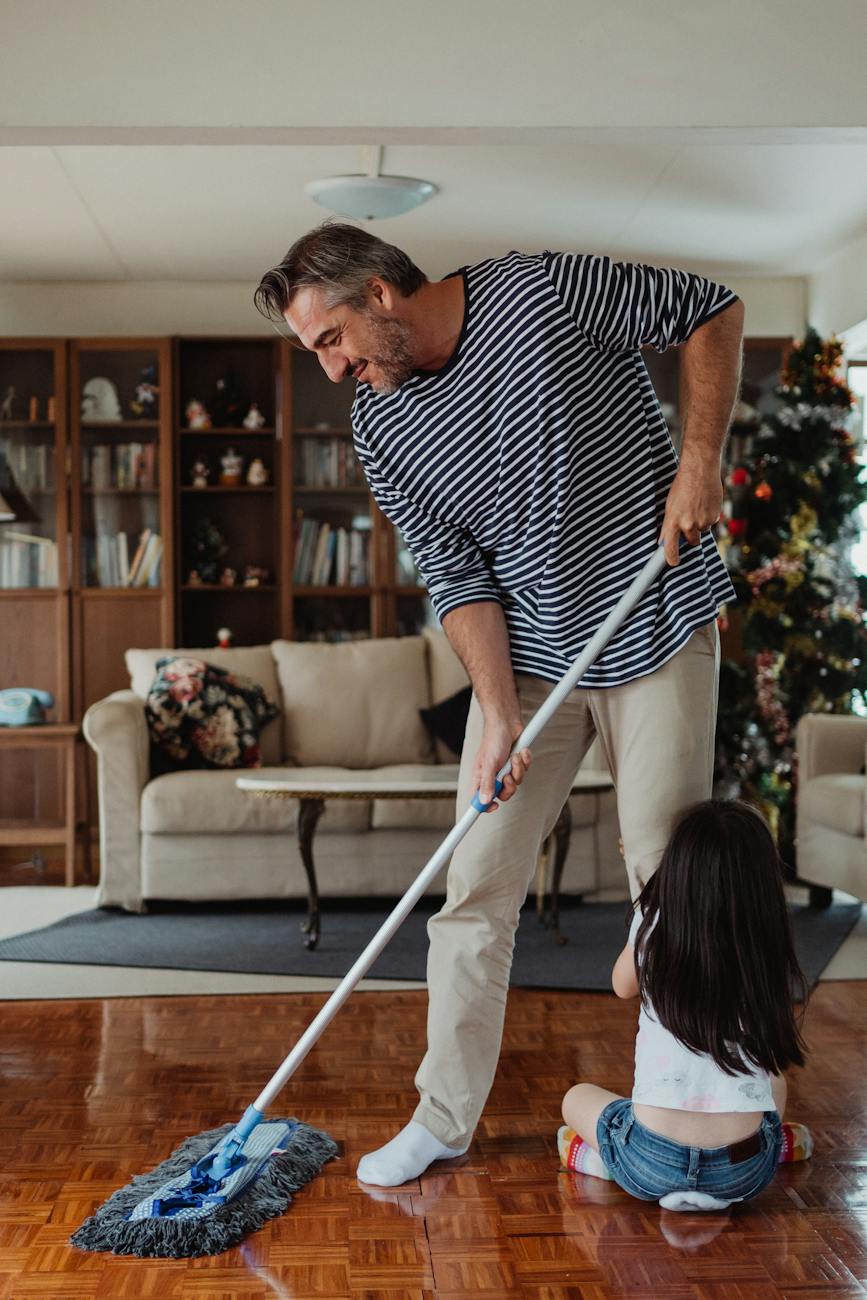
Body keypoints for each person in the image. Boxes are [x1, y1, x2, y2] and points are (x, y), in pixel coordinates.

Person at [255, 222, 745, 1187]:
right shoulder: (381, 423)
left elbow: (709, 311)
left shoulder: (539, 290)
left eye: (330, 339)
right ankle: (442, 1118)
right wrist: (497, 708)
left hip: (654, 618)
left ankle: (701, 1112)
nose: (329, 368)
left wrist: (698, 458)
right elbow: (453, 572)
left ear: (381, 295)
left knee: (665, 879)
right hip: (527, 658)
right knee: (474, 886)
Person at [559, 799, 812, 1211]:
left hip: (650, 1161)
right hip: (742, 1172)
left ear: (677, 867)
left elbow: (621, 986)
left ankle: (606, 1164)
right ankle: (770, 1152)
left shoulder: (654, 923)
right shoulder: (763, 940)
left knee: (576, 1097)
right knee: (775, 1083)